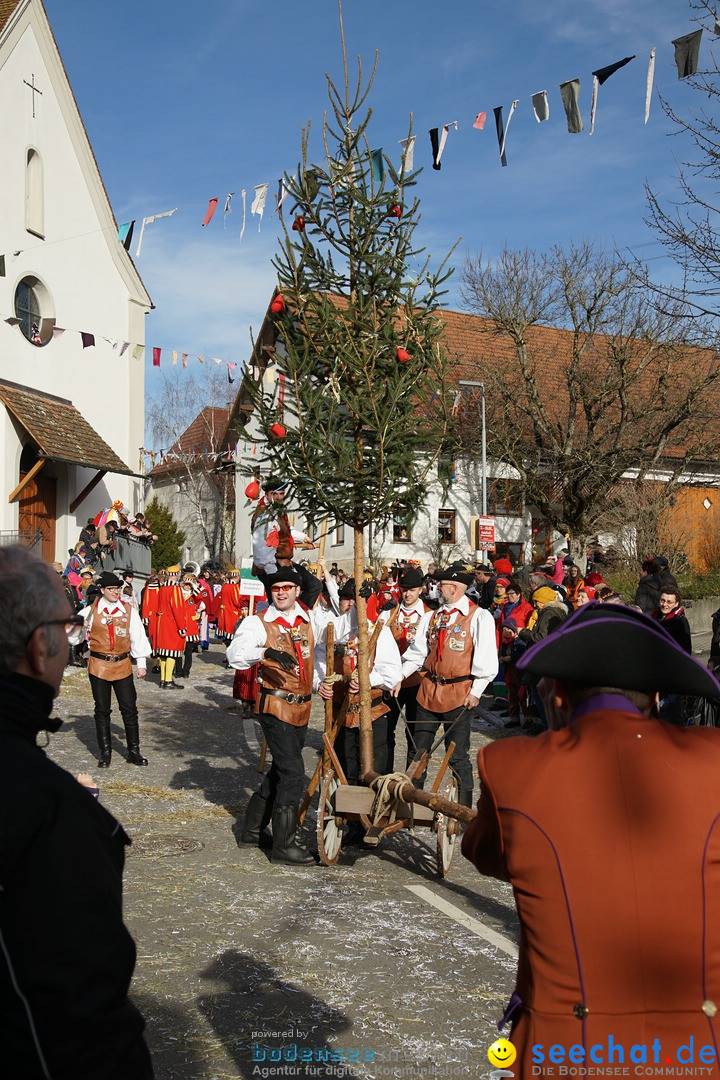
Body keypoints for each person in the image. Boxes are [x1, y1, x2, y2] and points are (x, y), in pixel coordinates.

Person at [462, 602, 720, 1079]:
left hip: (567, 1054)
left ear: (556, 693)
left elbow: (484, 854)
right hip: (699, 1053)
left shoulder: (511, 767)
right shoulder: (713, 761)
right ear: (657, 696)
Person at [0, 546, 153, 1078]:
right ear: (42, 649)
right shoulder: (48, 811)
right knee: (105, 716)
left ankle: (130, 749)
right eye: (62, 631)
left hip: (124, 666)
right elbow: (83, 1013)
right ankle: (110, 750)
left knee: (128, 713)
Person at [227, 568, 325, 865]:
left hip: (303, 705)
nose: (281, 592)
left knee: (280, 771)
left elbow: (318, 655)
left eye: (287, 587)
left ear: (297, 591)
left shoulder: (310, 620)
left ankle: (251, 832)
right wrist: (266, 653)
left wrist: (322, 684)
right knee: (294, 771)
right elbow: (235, 655)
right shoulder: (258, 623)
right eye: (276, 589)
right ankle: (284, 845)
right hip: (275, 705)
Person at [393, 564, 498, 807]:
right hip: (428, 691)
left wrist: (476, 692)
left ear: (455, 587)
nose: (438, 588)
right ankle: (412, 803)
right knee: (418, 752)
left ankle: (461, 810)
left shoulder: (478, 616)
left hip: (459, 694)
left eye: (441, 584)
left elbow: (486, 661)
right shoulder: (431, 617)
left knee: (458, 756)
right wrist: (400, 676)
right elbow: (417, 654)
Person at [79, 571, 152, 767]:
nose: (115, 592)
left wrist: (142, 664)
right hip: (98, 666)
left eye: (118, 589)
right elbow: (70, 637)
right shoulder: (90, 611)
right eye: (111, 589)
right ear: (102, 590)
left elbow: (138, 636)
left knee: (129, 709)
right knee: (102, 710)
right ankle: (105, 752)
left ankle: (133, 751)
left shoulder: (128, 611)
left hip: (122, 665)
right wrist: (79, 626)